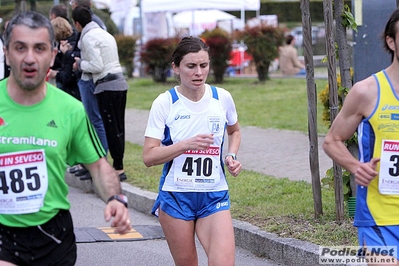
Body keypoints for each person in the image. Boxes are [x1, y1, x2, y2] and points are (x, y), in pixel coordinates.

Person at [0, 11, 131, 265]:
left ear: (52, 55)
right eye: (20, 48)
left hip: (54, 237)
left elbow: (99, 165)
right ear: (6, 53)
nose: (29, 58)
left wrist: (116, 199)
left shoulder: (71, 110)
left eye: (39, 48)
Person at [143, 36, 242, 265]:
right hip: (176, 196)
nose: (198, 72)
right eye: (191, 66)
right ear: (176, 68)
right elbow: (149, 156)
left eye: (203, 65)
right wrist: (185, 145)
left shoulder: (222, 98)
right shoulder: (165, 102)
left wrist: (231, 155)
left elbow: (234, 131)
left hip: (213, 195)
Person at [323, 8, 399, 265]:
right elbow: (331, 140)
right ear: (391, 41)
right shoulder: (367, 91)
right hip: (379, 218)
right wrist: (356, 167)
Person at [72, 6, 128, 181]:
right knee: (119, 128)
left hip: (106, 86)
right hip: (120, 83)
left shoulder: (88, 37)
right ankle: (119, 166)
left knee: (110, 128)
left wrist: (80, 64)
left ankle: (118, 170)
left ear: (77, 23)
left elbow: (97, 66)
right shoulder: (105, 34)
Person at [68, 0, 109, 180]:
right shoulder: (92, 26)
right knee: (90, 123)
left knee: (96, 122)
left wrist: (79, 63)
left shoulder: (91, 29)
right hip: (89, 79)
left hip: (92, 80)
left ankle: (98, 162)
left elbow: (96, 63)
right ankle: (91, 162)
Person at [49, 16, 81, 100]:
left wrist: (56, 74)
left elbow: (68, 75)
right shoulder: (69, 43)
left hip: (71, 89)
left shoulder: (68, 47)